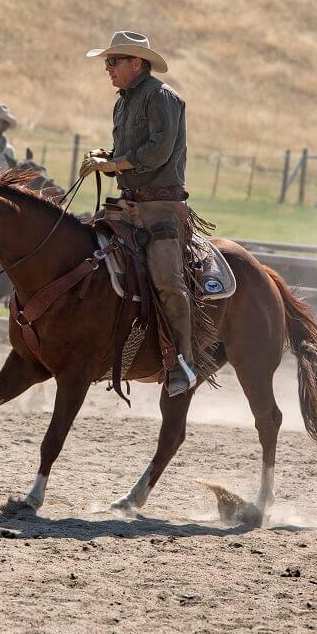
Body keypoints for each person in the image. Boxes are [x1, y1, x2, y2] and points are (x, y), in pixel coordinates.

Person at [79, 30, 195, 396]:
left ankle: (183, 362)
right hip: (127, 206)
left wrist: (110, 166)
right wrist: (104, 157)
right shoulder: (123, 102)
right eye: (106, 62)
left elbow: (157, 152)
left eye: (113, 61)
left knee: (167, 281)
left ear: (136, 63)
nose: (107, 68)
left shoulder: (163, 98)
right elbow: (123, 150)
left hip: (161, 209)